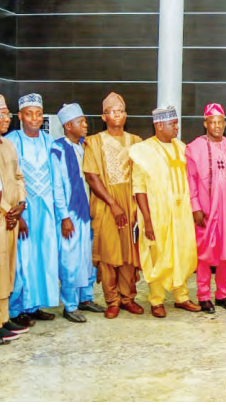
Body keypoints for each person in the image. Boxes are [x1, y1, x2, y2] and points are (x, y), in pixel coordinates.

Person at [130, 106, 201, 318]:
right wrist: (148, 221)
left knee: (183, 253)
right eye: (173, 124)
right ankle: (157, 300)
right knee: (158, 255)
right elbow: (139, 188)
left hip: (182, 213)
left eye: (177, 123)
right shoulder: (143, 150)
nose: (177, 128)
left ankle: (181, 297)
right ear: (159, 125)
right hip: (157, 213)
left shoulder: (181, 147)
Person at [83, 92, 143, 319]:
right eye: (111, 111)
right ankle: (112, 300)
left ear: (125, 115)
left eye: (120, 111)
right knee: (109, 253)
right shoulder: (94, 142)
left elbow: (142, 176)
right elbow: (92, 176)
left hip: (131, 202)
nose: (116, 115)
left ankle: (128, 298)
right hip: (105, 203)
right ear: (104, 116)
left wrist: (136, 206)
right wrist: (113, 204)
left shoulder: (136, 142)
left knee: (129, 252)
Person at [187, 103, 226, 313]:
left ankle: (223, 294)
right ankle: (203, 296)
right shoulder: (195, 148)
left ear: (225, 124)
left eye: (220, 122)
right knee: (205, 252)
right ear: (205, 124)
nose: (217, 126)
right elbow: (191, 180)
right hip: (206, 208)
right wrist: (195, 207)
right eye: (212, 122)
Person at [7, 93, 59, 328]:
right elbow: (11, 180)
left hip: (46, 210)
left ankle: (35, 305)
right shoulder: (11, 141)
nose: (34, 119)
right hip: (23, 211)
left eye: (38, 114)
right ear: (20, 116)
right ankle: (17, 309)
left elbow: (56, 177)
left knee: (44, 257)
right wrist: (19, 215)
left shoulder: (49, 141)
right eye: (29, 114)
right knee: (23, 259)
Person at [51, 103, 105, 323]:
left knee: (87, 257)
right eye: (80, 122)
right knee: (71, 260)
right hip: (70, 215)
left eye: (84, 121)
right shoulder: (58, 149)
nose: (85, 125)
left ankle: (86, 298)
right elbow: (57, 186)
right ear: (67, 125)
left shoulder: (86, 146)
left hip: (87, 211)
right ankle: (70, 305)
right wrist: (64, 216)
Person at [0, 95, 27, 343]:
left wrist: (20, 204)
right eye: (1, 114)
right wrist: (7, 209)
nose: (6, 118)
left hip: (10, 217)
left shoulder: (8, 145)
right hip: (2, 216)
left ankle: (3, 318)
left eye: (7, 113)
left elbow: (18, 176)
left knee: (8, 269)